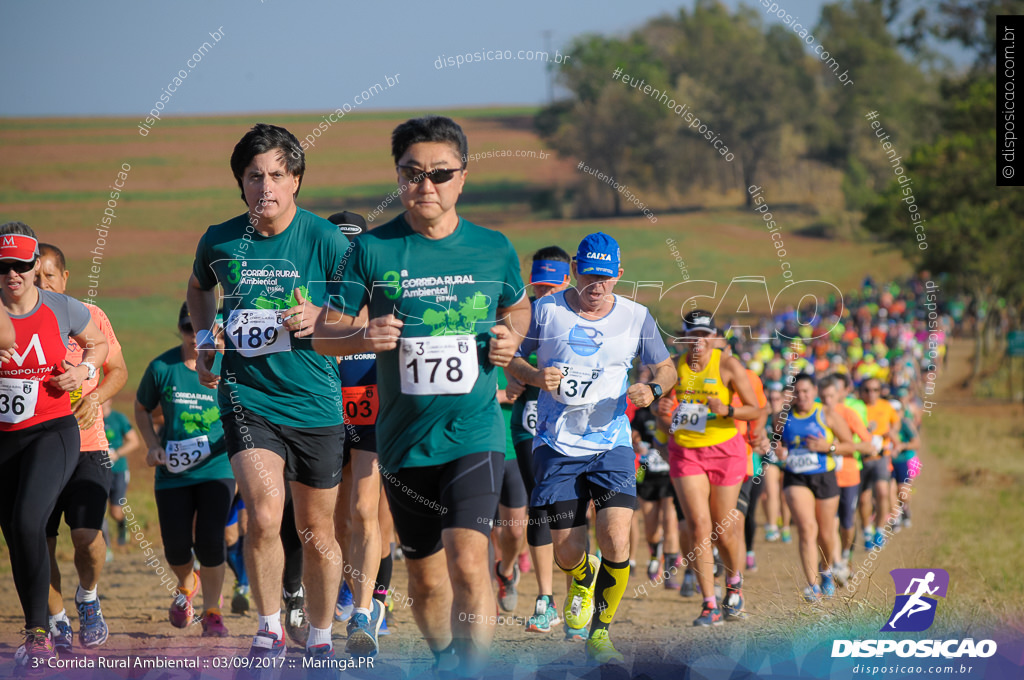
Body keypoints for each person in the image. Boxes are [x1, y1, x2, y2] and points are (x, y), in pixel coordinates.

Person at [314, 115, 530, 675]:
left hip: (476, 431)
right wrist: (362, 335)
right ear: (399, 177)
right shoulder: (372, 251)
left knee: (467, 562)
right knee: (428, 582)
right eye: (413, 174)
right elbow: (321, 332)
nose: (425, 186)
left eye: (439, 173)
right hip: (406, 444)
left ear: (462, 178)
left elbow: (518, 305)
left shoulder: (493, 248)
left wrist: (512, 337)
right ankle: (442, 658)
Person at [187, 123, 350, 670]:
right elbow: (197, 288)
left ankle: (322, 635)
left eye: (277, 175)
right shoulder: (220, 239)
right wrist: (209, 338)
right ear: (240, 182)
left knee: (316, 529)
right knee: (262, 514)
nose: (266, 187)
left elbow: (364, 312)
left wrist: (320, 317)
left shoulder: (326, 239)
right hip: (247, 397)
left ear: (297, 180)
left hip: (316, 402)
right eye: (254, 176)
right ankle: (268, 630)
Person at [508, 232, 675, 665]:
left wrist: (652, 388)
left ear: (619, 275)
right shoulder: (545, 310)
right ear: (574, 272)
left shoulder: (637, 317)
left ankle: (599, 633)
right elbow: (512, 359)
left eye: (605, 277)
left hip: (611, 445)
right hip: (556, 446)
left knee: (618, 539)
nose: (595, 286)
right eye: (588, 275)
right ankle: (582, 576)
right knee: (566, 549)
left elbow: (667, 367)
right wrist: (532, 375)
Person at [0, 222, 108, 672]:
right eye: (4, 267)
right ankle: (37, 629)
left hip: (51, 430)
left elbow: (99, 345)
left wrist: (83, 372)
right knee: (17, 535)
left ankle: (43, 632)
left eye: (21, 266)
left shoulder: (62, 308)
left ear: (33, 266)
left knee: (30, 521)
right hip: (4, 439)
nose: (13, 275)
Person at [35, 243, 128, 653]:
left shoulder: (88, 316)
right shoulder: (11, 322)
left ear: (64, 279)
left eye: (48, 277)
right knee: (40, 540)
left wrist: (95, 396)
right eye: (33, 277)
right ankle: (56, 620)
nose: (40, 285)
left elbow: (118, 370)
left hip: (88, 443)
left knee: (88, 538)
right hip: (34, 446)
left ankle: (87, 598)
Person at [135, 302, 235, 636]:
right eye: (188, 329)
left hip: (217, 466)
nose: (195, 336)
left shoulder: (230, 365)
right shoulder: (163, 367)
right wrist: (152, 444)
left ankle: (212, 611)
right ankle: (185, 584)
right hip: (173, 471)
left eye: (202, 329)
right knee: (176, 546)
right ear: (180, 329)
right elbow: (141, 407)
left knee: (210, 540)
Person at [668, 311, 763, 626]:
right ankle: (708, 604)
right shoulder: (673, 366)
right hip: (685, 451)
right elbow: (662, 410)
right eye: (693, 334)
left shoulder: (727, 364)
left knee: (724, 530)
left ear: (714, 337)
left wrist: (730, 409)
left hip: (725, 451)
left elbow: (755, 409)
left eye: (705, 335)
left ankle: (733, 584)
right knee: (698, 526)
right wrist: (660, 409)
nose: (699, 341)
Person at [327, 210, 391, 657]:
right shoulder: (316, 298)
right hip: (327, 417)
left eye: (355, 246)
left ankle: (369, 607)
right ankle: (352, 587)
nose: (348, 254)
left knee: (368, 512)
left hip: (373, 418)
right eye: (340, 245)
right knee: (339, 518)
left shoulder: (385, 298)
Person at [505, 246, 572, 635]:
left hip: (575, 426)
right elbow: (505, 356)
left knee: (570, 511)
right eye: (539, 287)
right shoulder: (523, 314)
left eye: (553, 287)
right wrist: (520, 375)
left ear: (568, 281)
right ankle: (545, 600)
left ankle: (574, 594)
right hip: (530, 422)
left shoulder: (582, 313)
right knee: (540, 506)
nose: (544, 295)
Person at [775, 374, 855, 601]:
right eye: (797, 392)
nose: (802, 396)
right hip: (796, 477)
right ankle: (812, 586)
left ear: (814, 391)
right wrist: (778, 450)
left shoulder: (826, 414)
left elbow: (850, 446)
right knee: (807, 529)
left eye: (806, 391)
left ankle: (826, 571)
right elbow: (773, 441)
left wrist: (827, 446)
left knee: (826, 532)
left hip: (824, 476)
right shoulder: (782, 417)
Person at [824, 373, 875, 583]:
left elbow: (868, 444)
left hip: (849, 475)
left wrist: (840, 448)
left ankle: (845, 555)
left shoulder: (849, 413)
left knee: (846, 522)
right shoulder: (817, 413)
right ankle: (831, 567)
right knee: (828, 523)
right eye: (825, 395)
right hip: (825, 475)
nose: (828, 399)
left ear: (841, 394)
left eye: (832, 394)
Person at [858, 377, 900, 550]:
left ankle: (879, 530)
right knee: (864, 498)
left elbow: (896, 422)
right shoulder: (858, 407)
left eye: (875, 389)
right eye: (867, 390)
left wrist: (891, 434)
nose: (871, 394)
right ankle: (867, 530)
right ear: (862, 392)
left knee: (883, 493)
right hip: (862, 457)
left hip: (882, 456)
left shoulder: (885, 406)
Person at [103, 400, 139, 545]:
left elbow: (134, 442)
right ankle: (106, 547)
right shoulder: (90, 418)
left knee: (115, 511)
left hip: (118, 471)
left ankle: (122, 526)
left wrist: (117, 454)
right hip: (98, 472)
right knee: (99, 512)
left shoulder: (119, 418)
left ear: (110, 400)